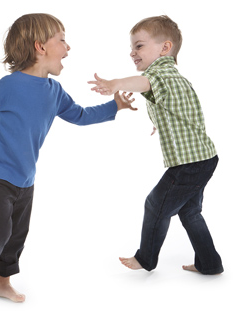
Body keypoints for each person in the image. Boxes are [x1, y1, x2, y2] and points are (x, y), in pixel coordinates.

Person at [0, 13, 135, 312]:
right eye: (62, 40)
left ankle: (3, 281)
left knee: (17, 233)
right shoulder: (9, 86)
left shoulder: (54, 92)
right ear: (40, 48)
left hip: (25, 176)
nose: (68, 48)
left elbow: (80, 116)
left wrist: (115, 106)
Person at [88, 15, 223, 275]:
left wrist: (116, 83)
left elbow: (145, 82)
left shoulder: (160, 72)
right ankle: (210, 263)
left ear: (165, 48)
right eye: (131, 47)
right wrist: (160, 123)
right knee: (190, 212)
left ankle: (146, 258)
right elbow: (182, 111)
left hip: (190, 164)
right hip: (203, 158)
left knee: (155, 204)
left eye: (138, 46)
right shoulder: (176, 78)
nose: (132, 52)